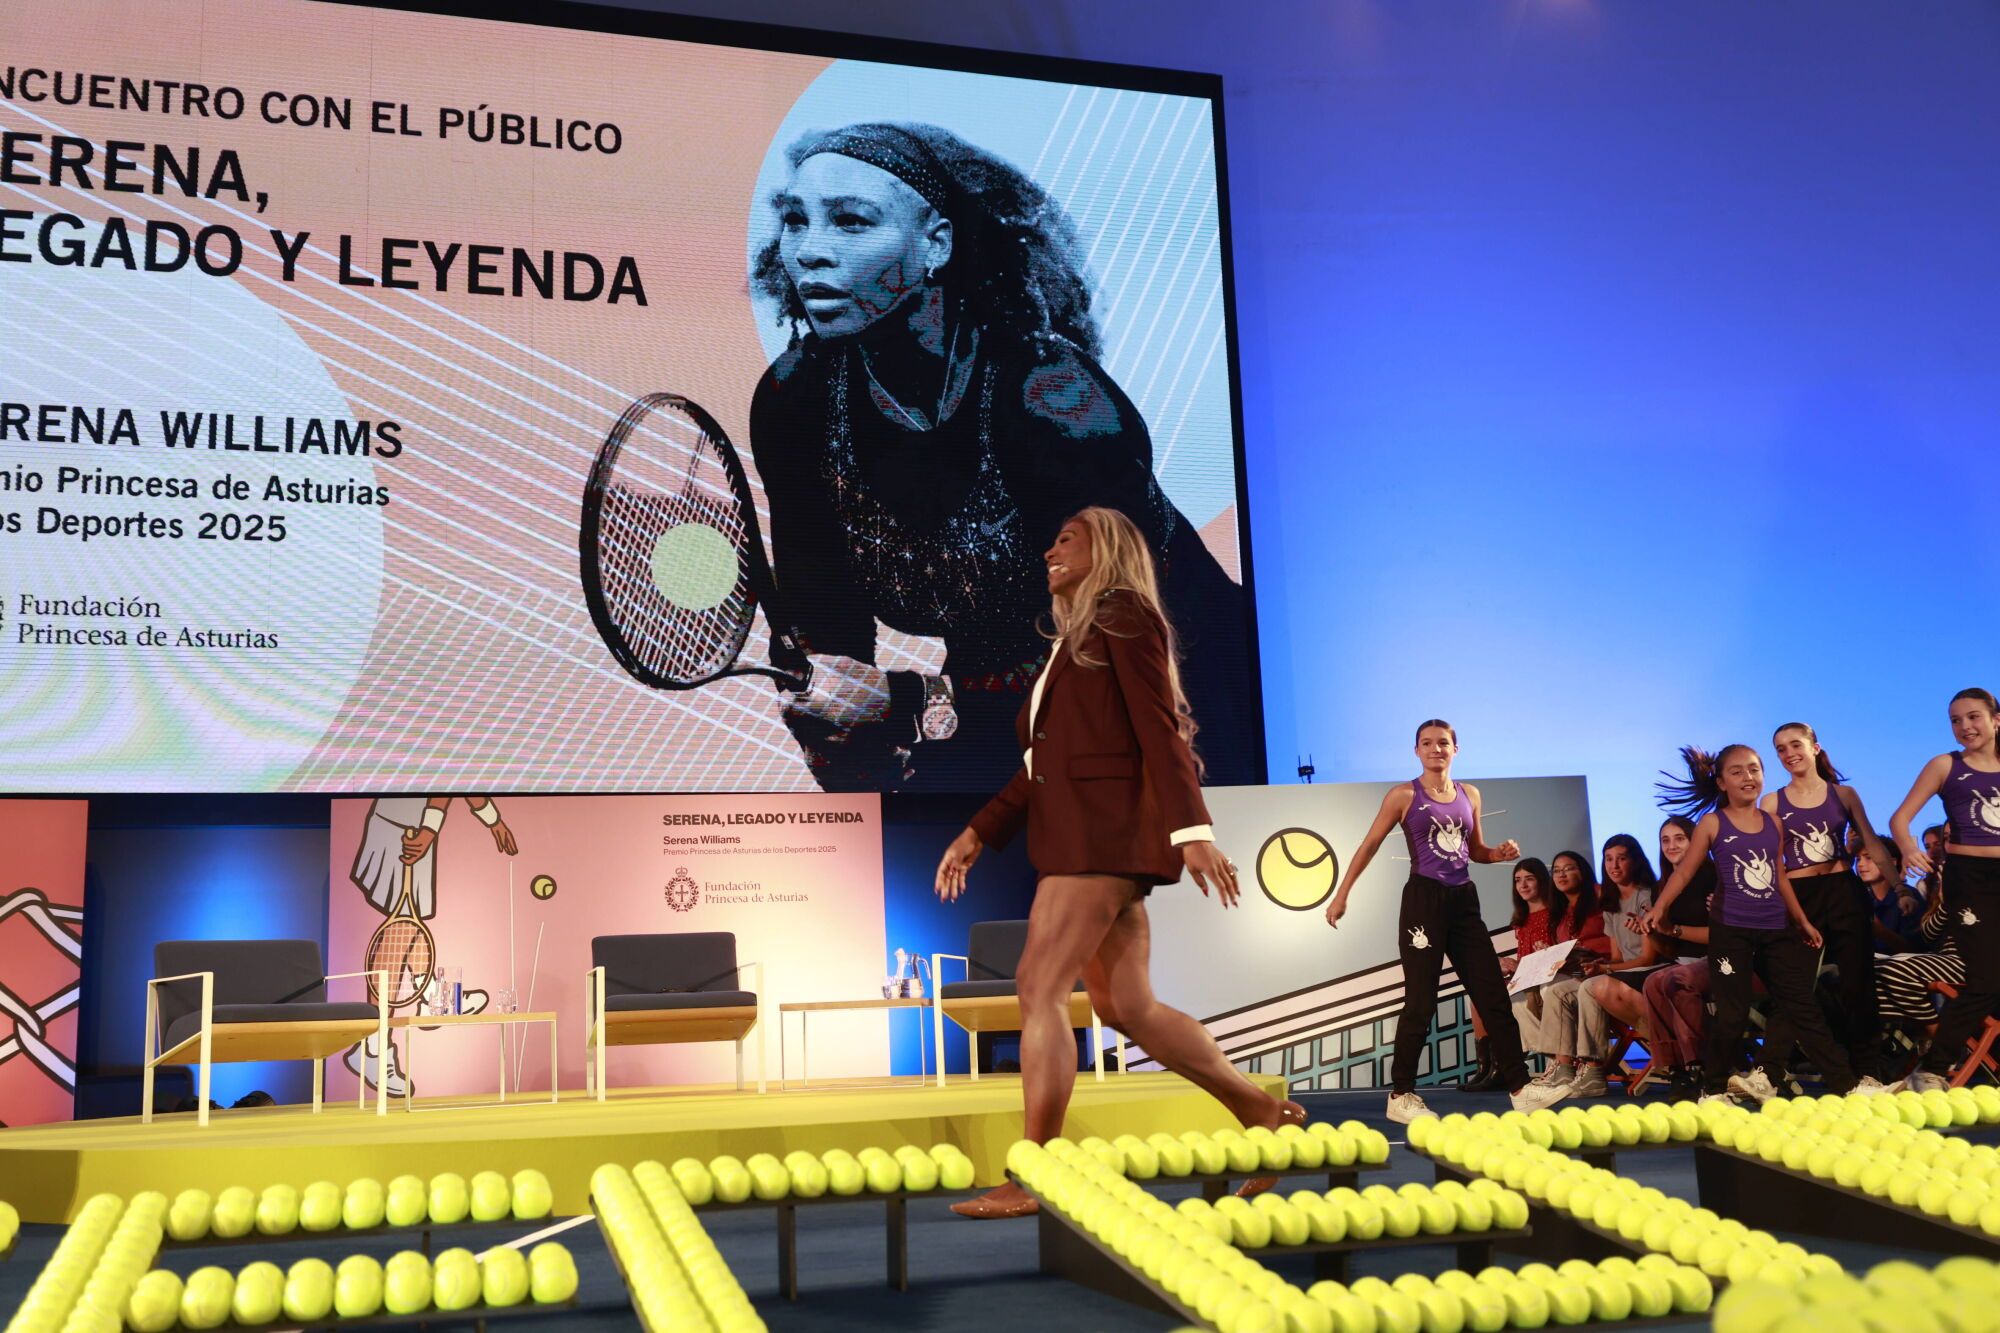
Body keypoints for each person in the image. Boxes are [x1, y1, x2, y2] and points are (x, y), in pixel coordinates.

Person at [748, 121, 1254, 793]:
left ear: (937, 243)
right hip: (999, 707)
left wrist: (905, 706)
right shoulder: (796, 403)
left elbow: (1117, 671)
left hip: (1189, 696)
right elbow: (829, 643)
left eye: (849, 221)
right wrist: (841, 734)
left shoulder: (1052, 401)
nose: (809, 251)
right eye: (794, 221)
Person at [933, 507, 1298, 1219]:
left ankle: (1034, 1172)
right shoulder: (1074, 645)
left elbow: (1160, 728)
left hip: (1096, 845)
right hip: (1096, 842)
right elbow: (1042, 767)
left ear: (1108, 547)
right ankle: (1260, 1109)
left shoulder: (1124, 614)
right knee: (1124, 1005)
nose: (1049, 547)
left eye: (1066, 536)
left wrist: (1193, 829)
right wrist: (980, 830)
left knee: (1038, 986)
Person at [1323, 721, 1566, 1122]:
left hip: (1463, 902)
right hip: (1423, 901)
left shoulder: (1470, 794)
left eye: (1444, 743)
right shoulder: (1403, 795)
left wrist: (1498, 854)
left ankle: (1521, 1088)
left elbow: (1475, 852)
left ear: (1456, 749)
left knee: (1492, 994)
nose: (1436, 749)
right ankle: (1401, 1094)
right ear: (1416, 750)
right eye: (1427, 743)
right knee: (1421, 1000)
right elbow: (1369, 846)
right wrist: (1343, 894)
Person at [1641, 745, 1875, 1104]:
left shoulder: (1774, 822)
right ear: (1721, 782)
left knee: (1801, 1003)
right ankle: (1713, 1088)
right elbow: (1686, 869)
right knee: (1732, 1012)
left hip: (1775, 927)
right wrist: (1660, 907)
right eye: (1737, 772)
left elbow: (1779, 875)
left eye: (1754, 770)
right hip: (1731, 929)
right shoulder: (1713, 823)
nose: (1748, 778)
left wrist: (1801, 921)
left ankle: (1847, 1085)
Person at [1752, 722, 1898, 1088]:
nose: (1789, 754)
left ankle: (1869, 1074)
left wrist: (1901, 888)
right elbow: (1770, 863)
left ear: (1815, 747)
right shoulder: (1772, 802)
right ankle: (1766, 1072)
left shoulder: (1844, 795)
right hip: (1799, 896)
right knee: (1794, 986)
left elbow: (1871, 841)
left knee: (1858, 984)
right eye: (1781, 749)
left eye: (1796, 744)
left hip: (1843, 892)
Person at [1893, 688, 2000, 1093]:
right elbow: (1901, 817)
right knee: (1986, 979)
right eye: (1955, 720)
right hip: (1969, 880)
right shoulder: (1945, 765)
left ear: (1996, 719)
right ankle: (1932, 1067)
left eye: (1973, 717)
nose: (1964, 727)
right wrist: (1907, 848)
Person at [1518, 850, 1617, 1097]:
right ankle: (1563, 1068)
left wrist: (1586, 953)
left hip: (1606, 969)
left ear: (1582, 871)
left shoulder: (1599, 895)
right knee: (1545, 992)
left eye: (1568, 868)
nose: (1561, 874)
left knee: (1563, 989)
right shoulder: (1561, 910)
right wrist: (1550, 952)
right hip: (1578, 972)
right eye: (1557, 871)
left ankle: (1592, 1071)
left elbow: (1613, 942)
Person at [1574, 835, 1668, 1090]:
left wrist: (1605, 969)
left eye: (1621, 859)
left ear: (1635, 861)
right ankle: (1580, 1066)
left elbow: (1648, 958)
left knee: (1591, 987)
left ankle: (1593, 1066)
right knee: (1575, 986)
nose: (1614, 866)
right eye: (1608, 859)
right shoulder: (1611, 902)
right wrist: (1597, 965)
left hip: (1654, 968)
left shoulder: (1646, 896)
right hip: (1629, 970)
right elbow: (1618, 957)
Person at [1463, 859, 1557, 1091]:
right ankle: (1487, 1066)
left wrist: (1520, 965)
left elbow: (1554, 954)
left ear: (1542, 881)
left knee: (1501, 1000)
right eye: (1518, 880)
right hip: (1525, 977)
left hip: (1547, 979)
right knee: (1477, 996)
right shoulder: (1521, 919)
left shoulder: (1554, 914)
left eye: (1529, 879)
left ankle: (1503, 1066)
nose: (1523, 885)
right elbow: (1525, 958)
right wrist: (1508, 964)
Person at [1642, 816, 1718, 1099]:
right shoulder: (1660, 888)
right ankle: (1675, 1069)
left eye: (1679, 838)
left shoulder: (1714, 876)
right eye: (1665, 840)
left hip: (1719, 959)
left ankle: (1701, 1066)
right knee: (1653, 982)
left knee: (1675, 979)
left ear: (1695, 841)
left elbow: (1718, 936)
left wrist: (1673, 929)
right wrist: (1651, 932)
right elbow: (1671, 948)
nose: (1671, 845)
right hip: (1682, 961)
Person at [1856, 840, 1921, 952]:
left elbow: (1915, 947)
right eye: (1858, 859)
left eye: (1869, 858)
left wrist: (1881, 932)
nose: (1860, 864)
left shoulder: (1909, 896)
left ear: (1892, 862)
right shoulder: (1857, 897)